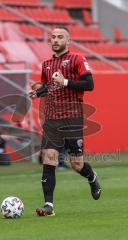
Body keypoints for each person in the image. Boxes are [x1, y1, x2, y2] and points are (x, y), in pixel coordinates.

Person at [29, 26, 101, 217]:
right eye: (52, 37)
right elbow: (49, 86)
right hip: (52, 119)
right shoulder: (46, 64)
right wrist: (37, 92)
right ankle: (48, 206)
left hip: (72, 118)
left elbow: (90, 84)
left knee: (76, 164)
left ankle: (92, 177)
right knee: (49, 159)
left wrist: (66, 82)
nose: (55, 40)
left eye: (60, 37)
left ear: (68, 40)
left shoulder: (78, 59)